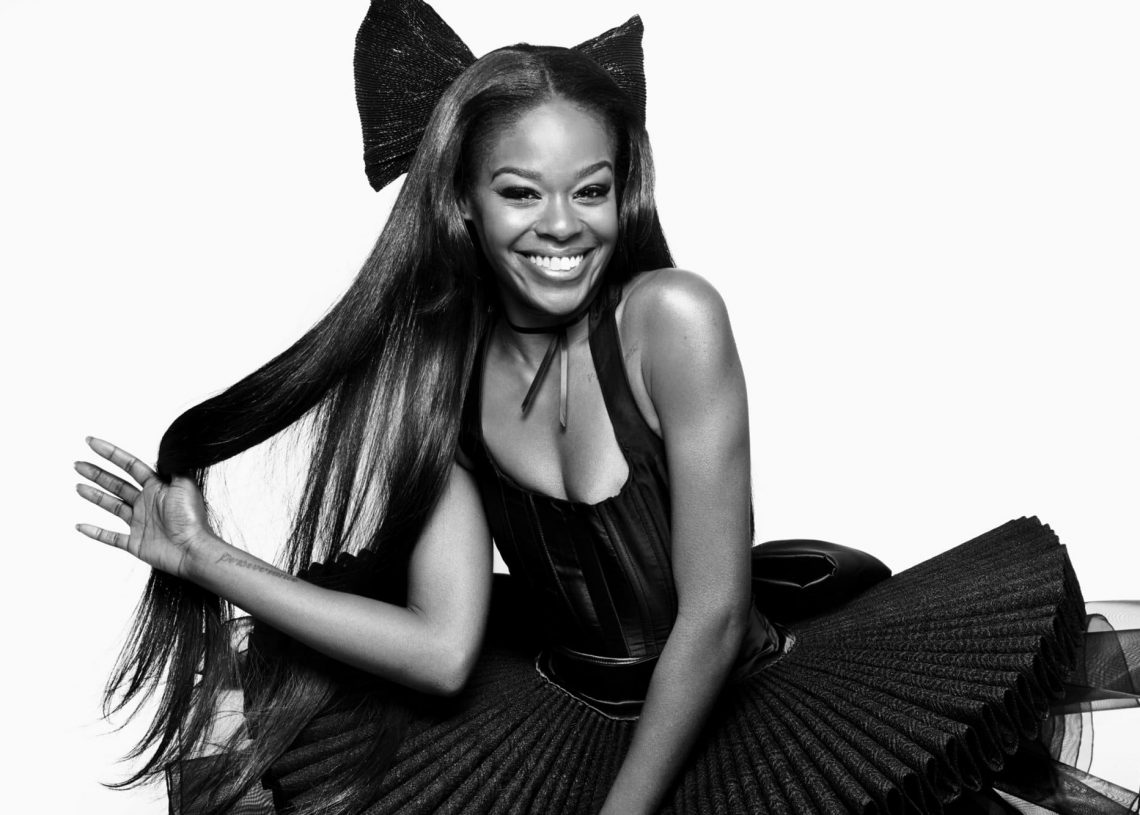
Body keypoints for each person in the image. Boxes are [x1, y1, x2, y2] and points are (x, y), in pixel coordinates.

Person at [74, 2, 1139, 813]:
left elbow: (710, 619)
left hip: (746, 699)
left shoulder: (671, 318)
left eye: (590, 188)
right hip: (565, 711)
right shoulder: (443, 382)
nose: (563, 225)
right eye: (520, 191)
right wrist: (211, 560)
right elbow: (442, 648)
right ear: (461, 201)